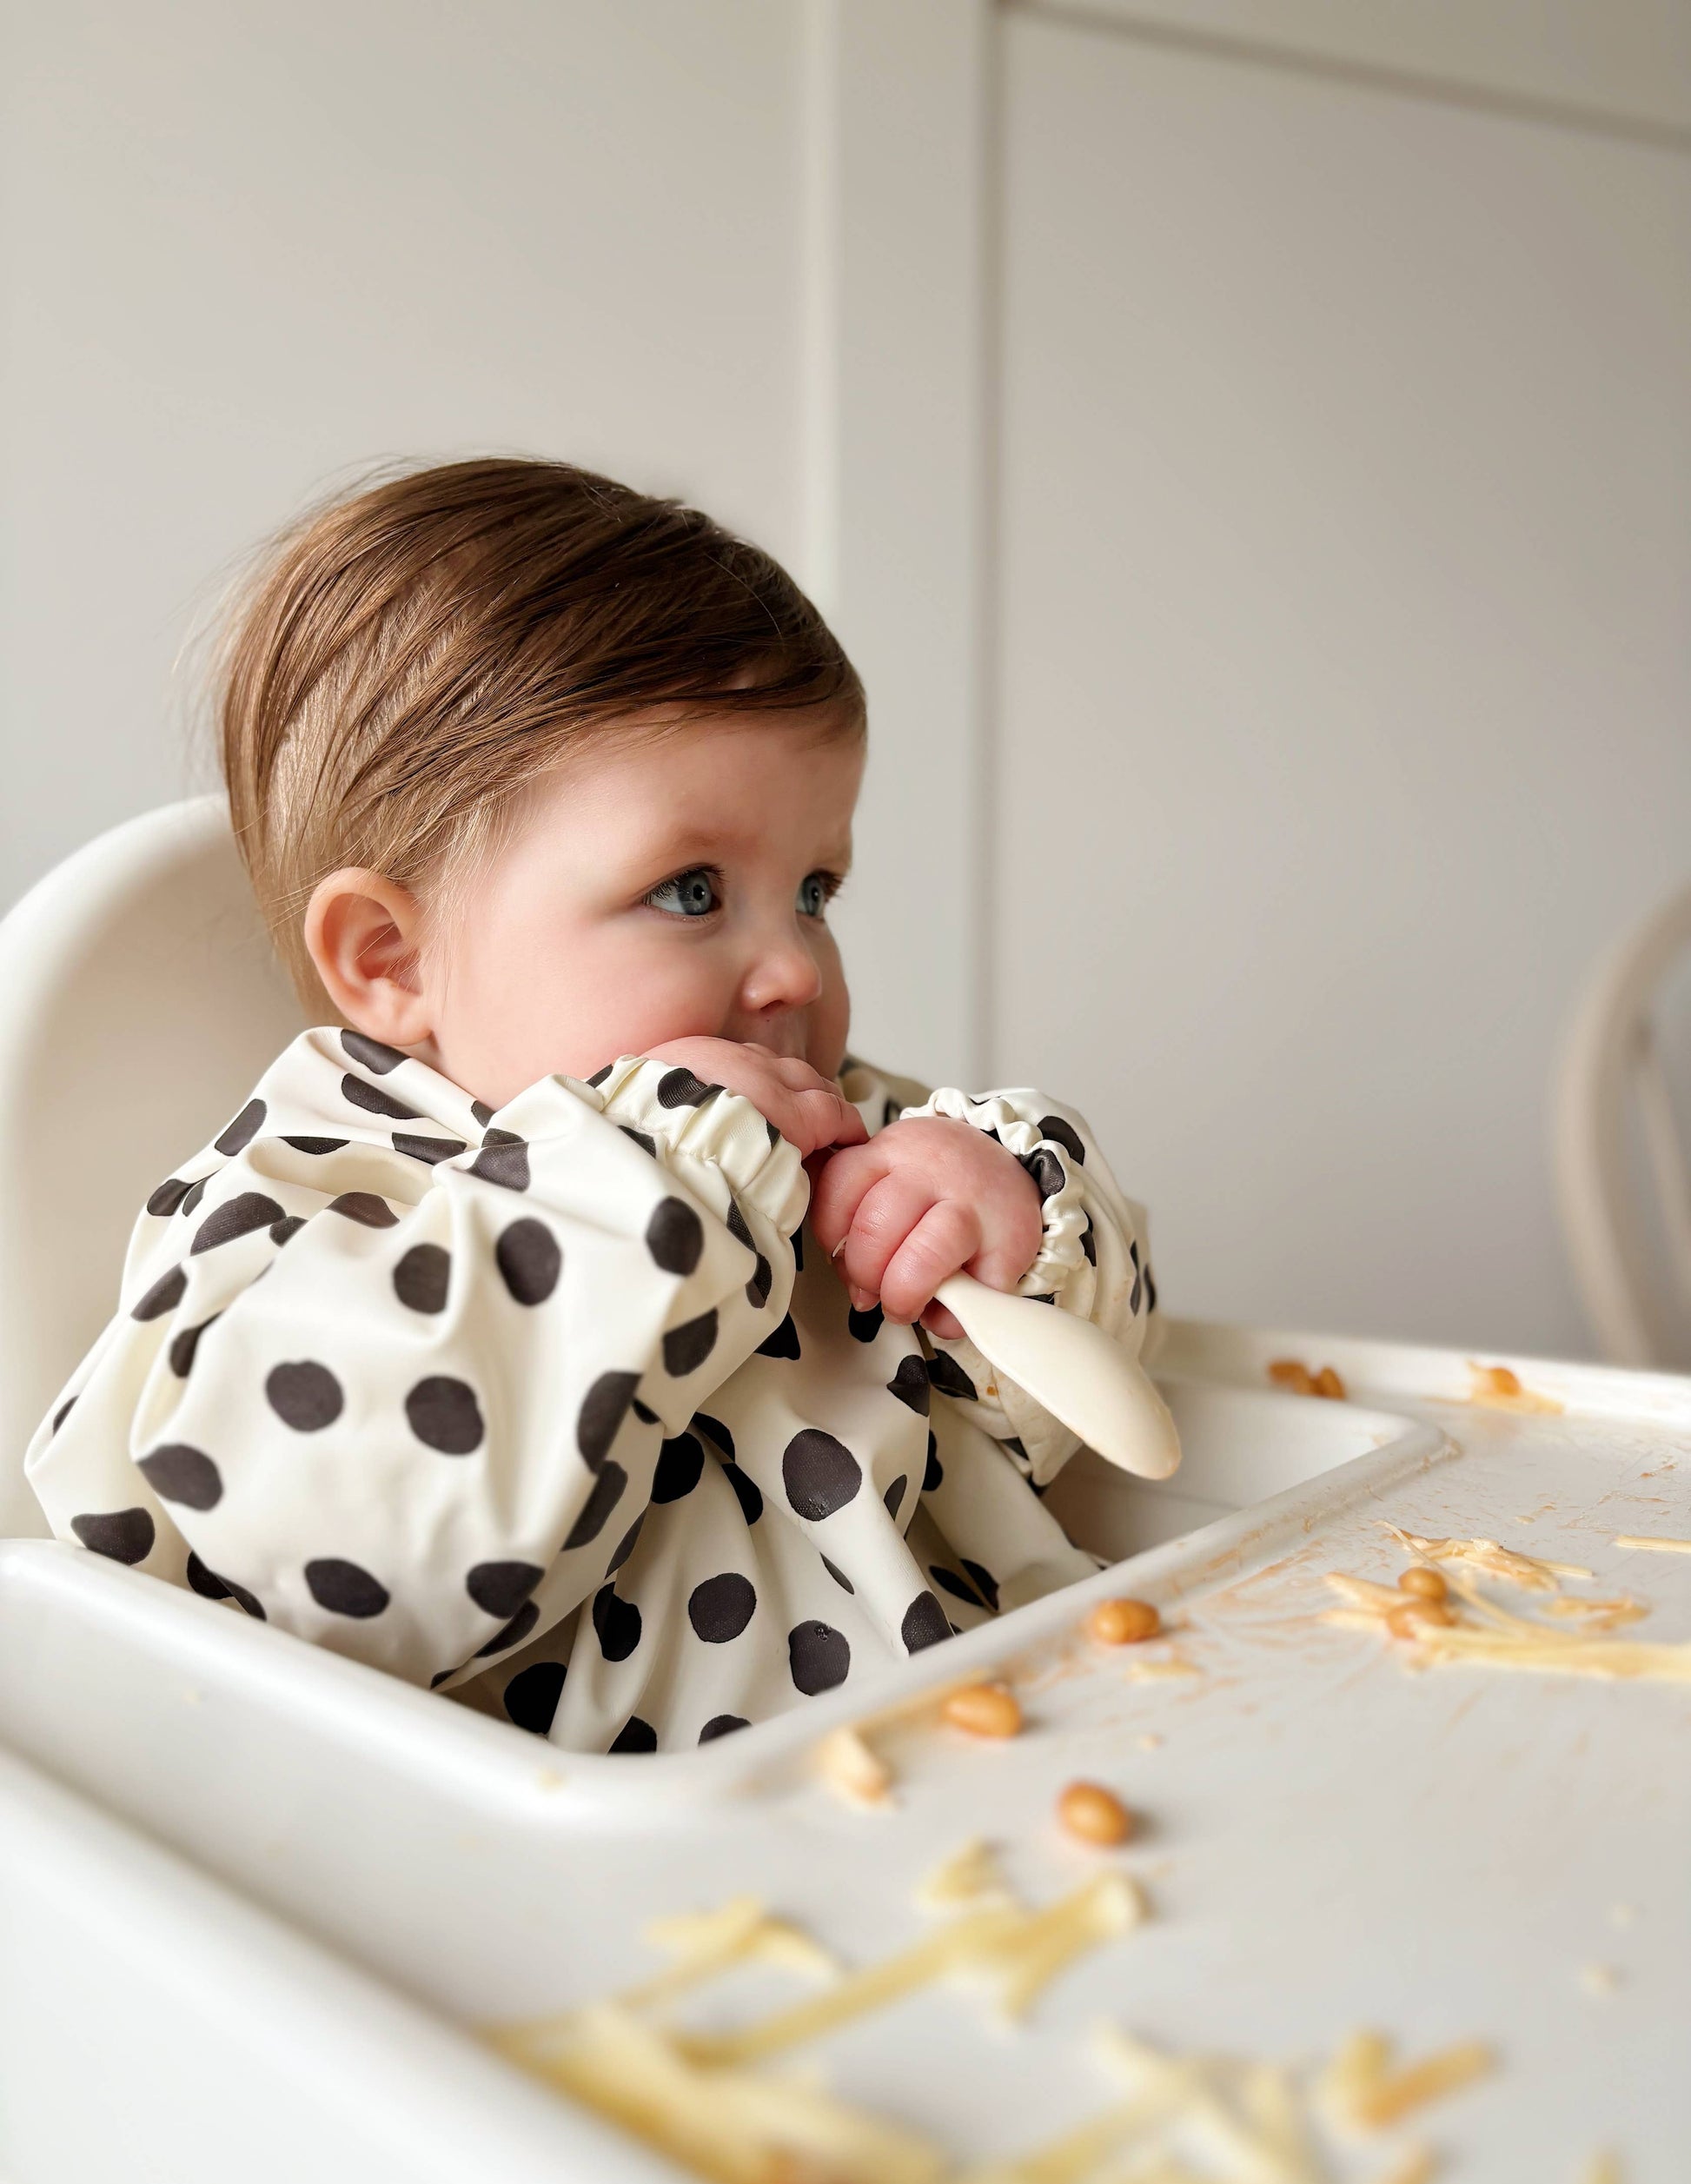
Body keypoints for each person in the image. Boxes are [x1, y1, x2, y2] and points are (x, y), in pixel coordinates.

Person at [26, 460, 1159, 1752]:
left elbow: (1100, 1419)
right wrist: (651, 1172)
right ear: (391, 960)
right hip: (581, 1900)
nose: (795, 966)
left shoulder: (831, 1136)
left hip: (997, 1767)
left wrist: (1005, 1212)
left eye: (814, 889)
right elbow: (352, 1576)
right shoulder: (316, 1202)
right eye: (689, 890)